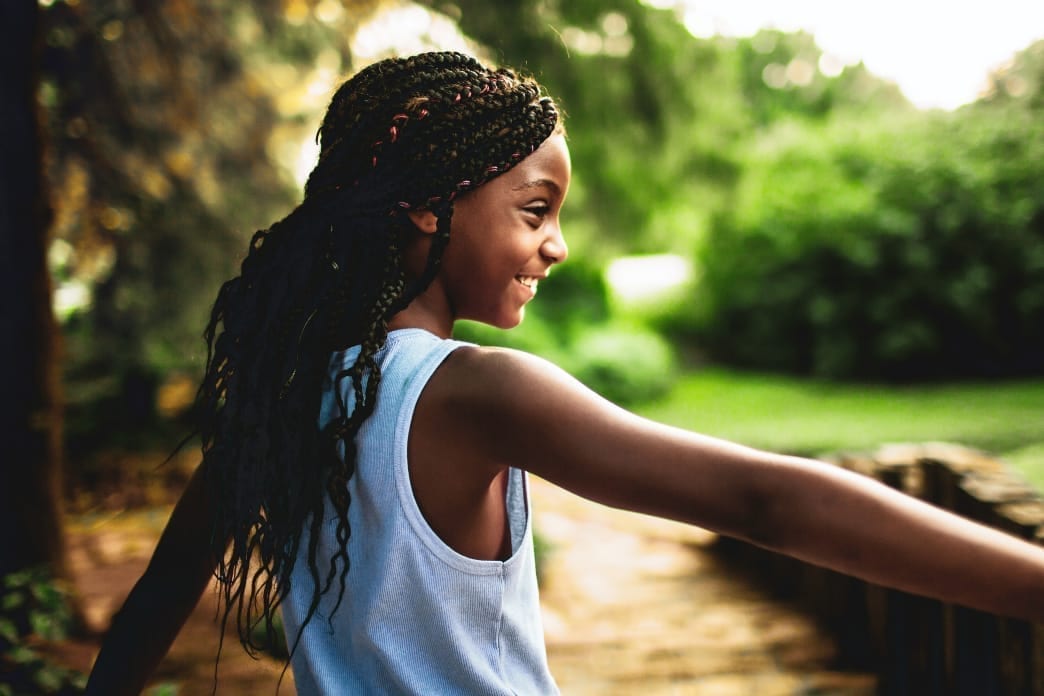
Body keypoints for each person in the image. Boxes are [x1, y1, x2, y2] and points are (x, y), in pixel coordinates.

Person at [85, 51, 1044, 695]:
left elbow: (153, 604)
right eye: (535, 209)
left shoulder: (282, 398)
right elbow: (764, 501)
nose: (557, 244)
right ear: (429, 204)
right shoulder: (478, 393)